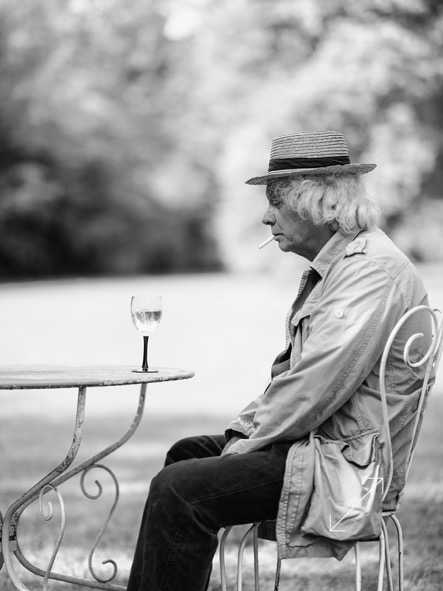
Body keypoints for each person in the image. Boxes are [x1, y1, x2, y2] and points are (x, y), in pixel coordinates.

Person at [126, 130, 429, 591]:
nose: (266, 217)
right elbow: (292, 384)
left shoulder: (369, 271)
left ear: (318, 203)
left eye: (276, 200)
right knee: (184, 457)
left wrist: (245, 443)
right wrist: (243, 433)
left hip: (345, 465)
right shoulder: (341, 266)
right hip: (318, 443)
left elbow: (313, 386)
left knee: (179, 490)